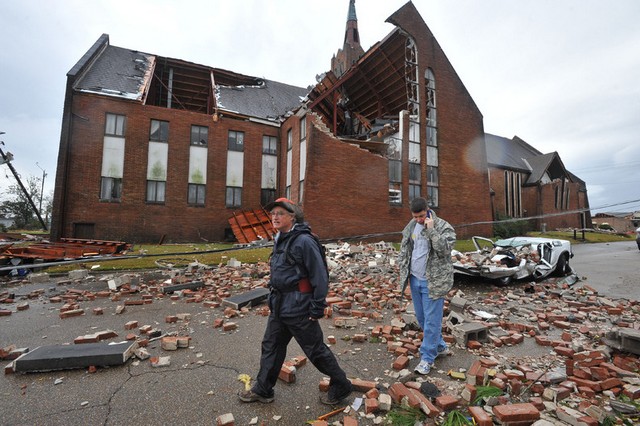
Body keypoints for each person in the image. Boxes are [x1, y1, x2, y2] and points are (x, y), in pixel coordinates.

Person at [238, 198, 352, 405]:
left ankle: (341, 384)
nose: (275, 217)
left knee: (315, 350)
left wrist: (318, 306)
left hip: (299, 307)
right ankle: (263, 389)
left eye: (280, 213)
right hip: (280, 305)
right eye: (273, 213)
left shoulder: (304, 241)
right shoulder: (281, 237)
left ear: (292, 216)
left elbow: (320, 275)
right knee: (271, 346)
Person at [398, 197, 456, 375]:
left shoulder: (442, 226)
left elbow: (445, 250)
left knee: (432, 321)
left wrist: (431, 231)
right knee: (422, 319)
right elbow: (406, 248)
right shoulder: (412, 225)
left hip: (434, 282)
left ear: (428, 210)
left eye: (421, 216)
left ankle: (427, 358)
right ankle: (439, 346)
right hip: (415, 280)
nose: (418, 220)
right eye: (415, 217)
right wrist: (403, 271)